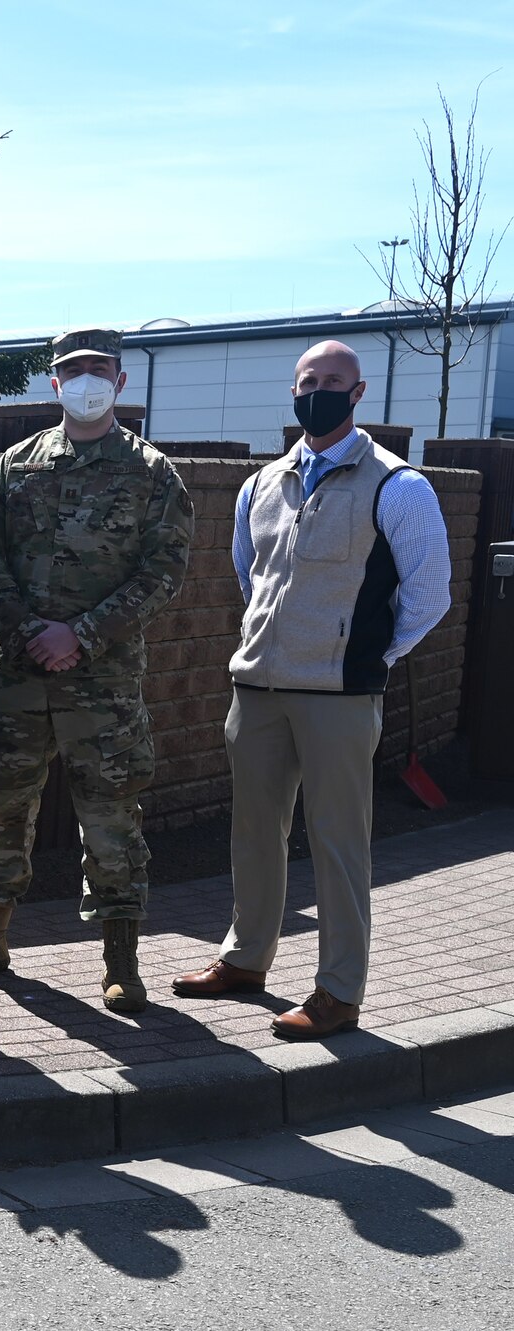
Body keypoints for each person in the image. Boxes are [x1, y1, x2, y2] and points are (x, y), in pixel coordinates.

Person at [173, 340, 450, 1039]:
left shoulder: (398, 485)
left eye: (333, 381)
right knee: (254, 832)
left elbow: (429, 595)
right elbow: (252, 576)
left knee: (338, 843)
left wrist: (364, 654)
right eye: (308, 381)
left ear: (358, 394)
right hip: (259, 687)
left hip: (341, 696)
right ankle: (245, 959)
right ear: (293, 391)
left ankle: (338, 991)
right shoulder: (259, 485)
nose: (317, 391)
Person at [0, 327, 193, 1014]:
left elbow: (164, 572)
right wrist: (28, 631)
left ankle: (121, 962)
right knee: (1, 809)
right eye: (71, 369)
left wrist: (77, 634)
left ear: (120, 379)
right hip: (20, 676)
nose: (85, 379)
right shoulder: (14, 468)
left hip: (102, 681)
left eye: (97, 368)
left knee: (111, 820)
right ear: (53, 383)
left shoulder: (151, 473)